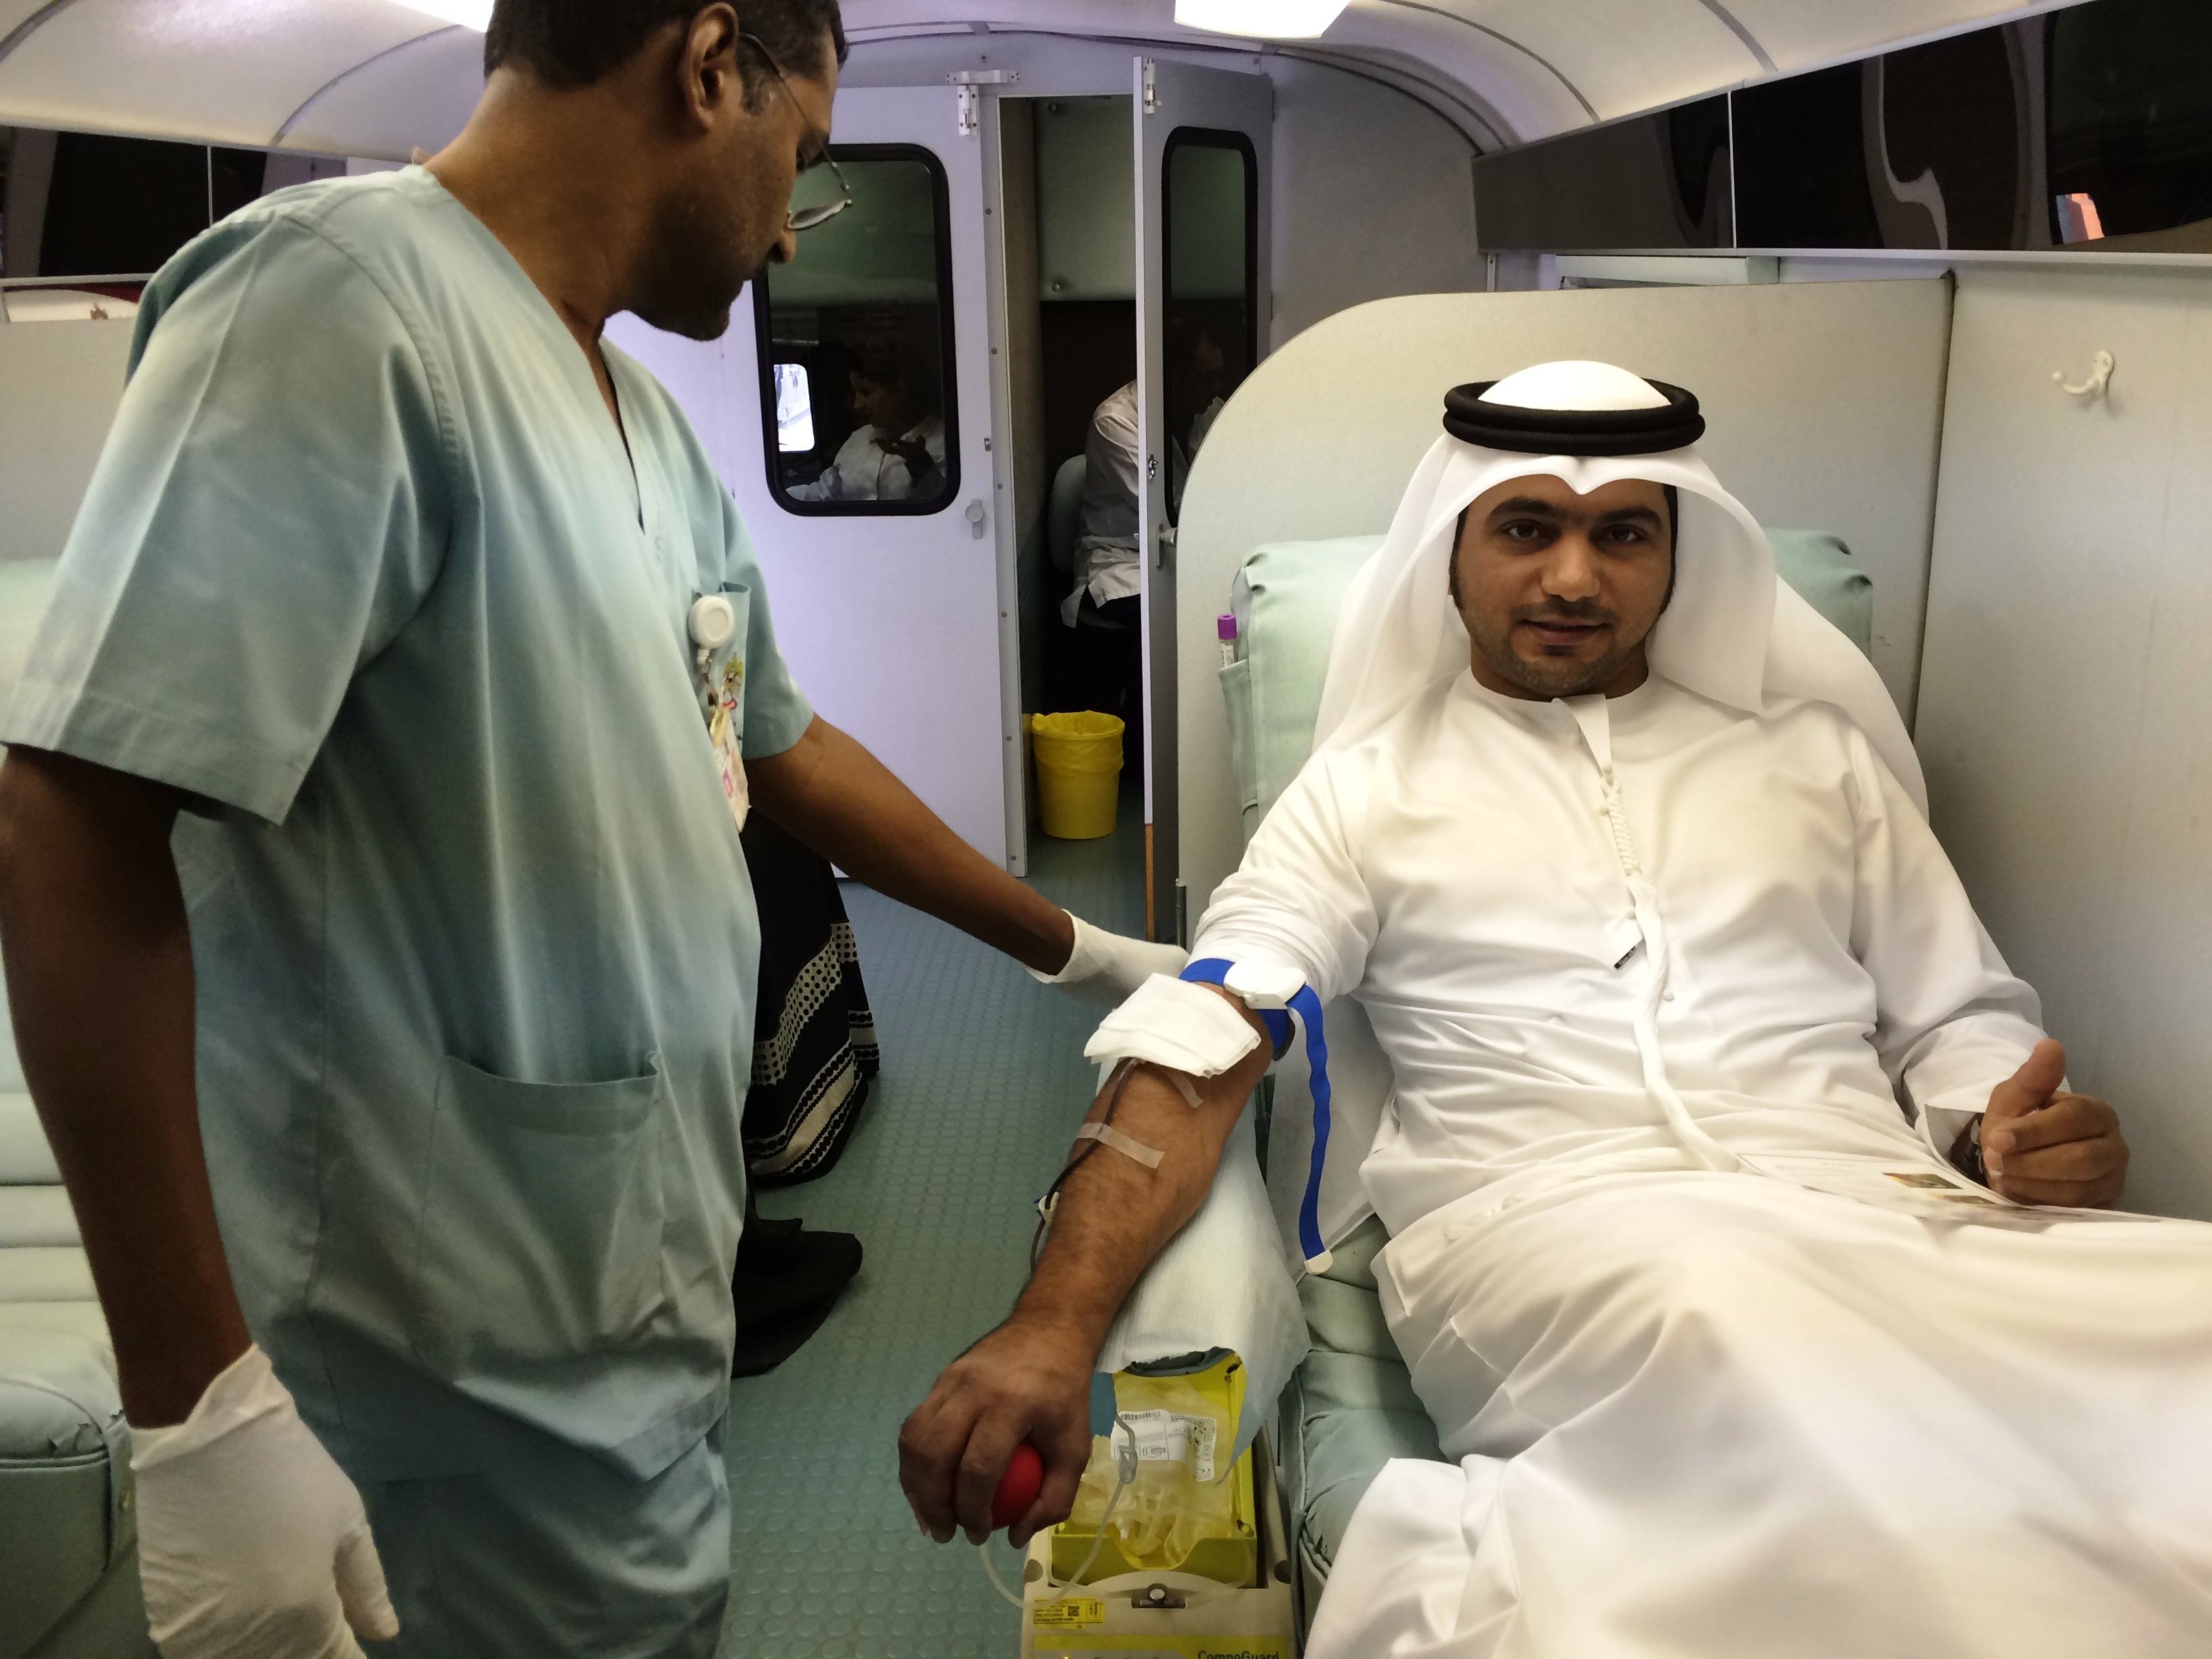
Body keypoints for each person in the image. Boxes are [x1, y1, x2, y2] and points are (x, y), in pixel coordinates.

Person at [0, 4, 1178, 1656]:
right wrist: (199, 1406)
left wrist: (1080, 950)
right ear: (707, 66)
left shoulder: (636, 413)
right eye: (804, 159)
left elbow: (776, 740)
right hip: (433, 1330)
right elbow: (74, 816)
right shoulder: (335, 303)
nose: (792, 227)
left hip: (626, 1269)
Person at [899, 362, 2212, 1656]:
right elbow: (1205, 1034)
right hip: (1560, 1226)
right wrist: (1052, 1323)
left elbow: (1955, 1016)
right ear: (1451, 549)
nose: (1574, 578)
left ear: (1678, 556)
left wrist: (2000, 1127)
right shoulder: (1362, 791)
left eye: (1622, 534)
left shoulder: (1817, 759)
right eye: (1526, 528)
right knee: (1766, 1351)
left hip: (1886, 1206)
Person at [1060, 325, 1229, 747]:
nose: (1216, 390)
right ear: (1170, 375)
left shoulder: (1209, 412)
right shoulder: (1116, 422)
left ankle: (1197, 740)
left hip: (1184, 553)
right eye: (1206, 378)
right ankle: (1154, 746)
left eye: (1218, 377)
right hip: (1123, 562)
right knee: (1171, 620)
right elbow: (1168, 511)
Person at [787, 341, 945, 503]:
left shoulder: (944, 446)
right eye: (855, 393)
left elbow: (941, 505)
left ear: (900, 390)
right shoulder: (861, 438)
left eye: (865, 392)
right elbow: (826, 494)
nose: (857, 405)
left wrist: (922, 467)